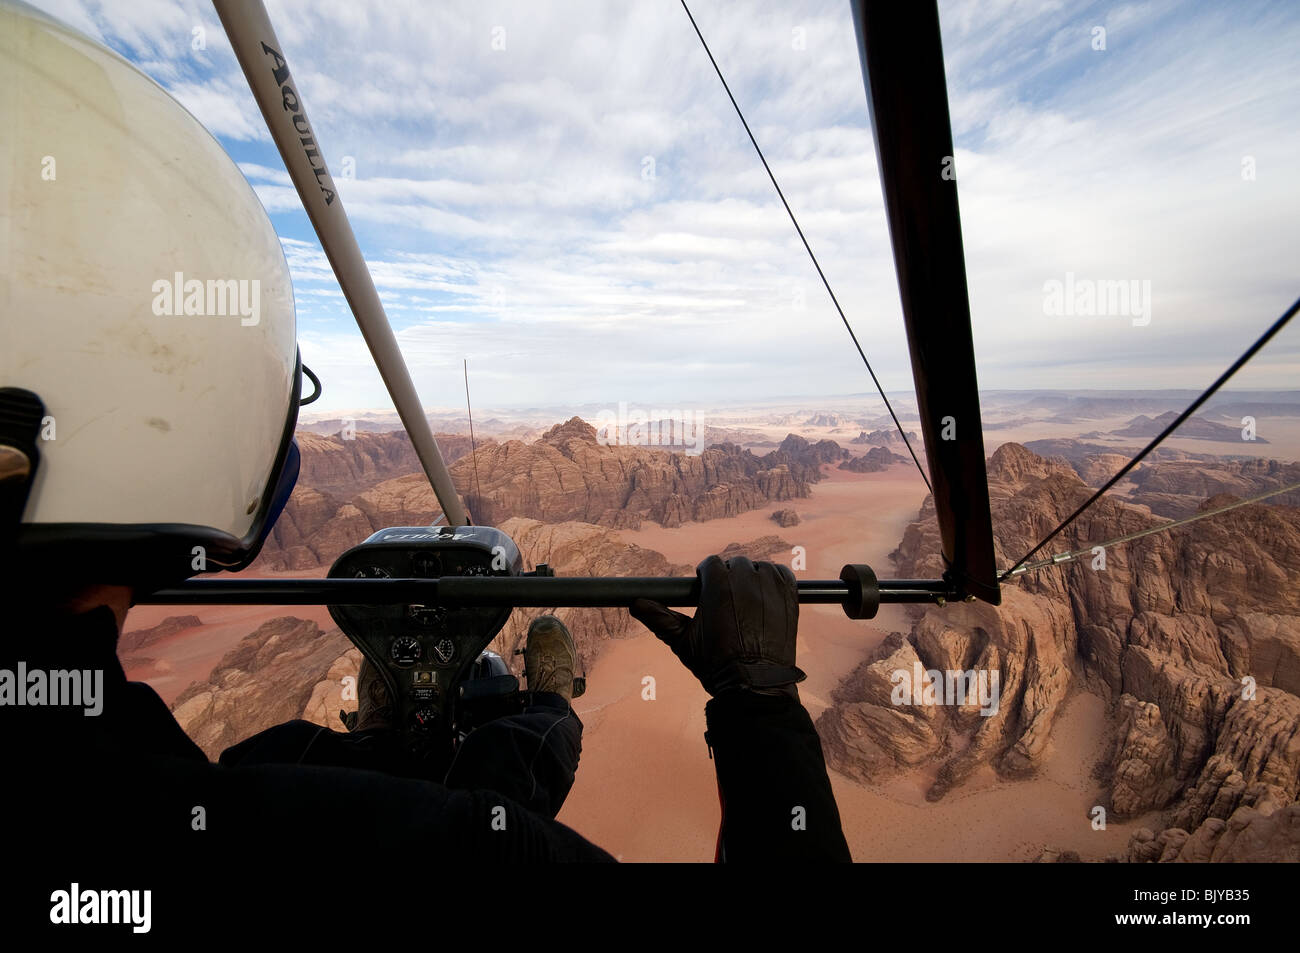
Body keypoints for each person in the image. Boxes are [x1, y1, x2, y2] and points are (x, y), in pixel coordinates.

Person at [0, 0, 851, 872]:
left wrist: (380, 744)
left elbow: (352, 806)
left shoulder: (244, 780)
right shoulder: (332, 825)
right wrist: (760, 709)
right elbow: (413, 829)